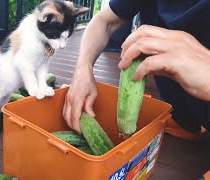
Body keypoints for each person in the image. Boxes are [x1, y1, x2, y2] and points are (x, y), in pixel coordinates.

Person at [63, 0, 210, 140]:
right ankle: (187, 124)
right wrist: (83, 67)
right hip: (178, 106)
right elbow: (104, 21)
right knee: (185, 122)